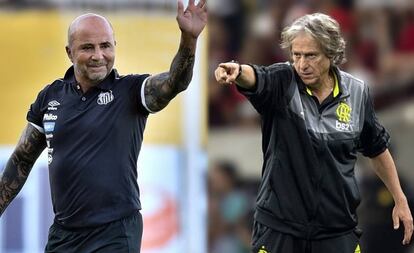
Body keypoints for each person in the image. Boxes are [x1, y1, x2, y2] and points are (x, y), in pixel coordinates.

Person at [0, 0, 206, 252]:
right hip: (64, 234)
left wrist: (189, 41)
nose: (98, 56)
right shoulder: (50, 97)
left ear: (114, 47)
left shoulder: (131, 91)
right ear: (69, 52)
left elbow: (176, 82)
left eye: (105, 46)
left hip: (115, 232)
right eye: (88, 47)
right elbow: (22, 160)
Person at [214, 13, 413, 253]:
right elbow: (256, 77)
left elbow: (377, 149)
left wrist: (399, 199)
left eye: (311, 56)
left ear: (331, 54)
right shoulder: (282, 81)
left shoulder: (357, 93)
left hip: (336, 229)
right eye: (296, 55)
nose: (302, 65)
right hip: (280, 229)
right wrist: (237, 70)